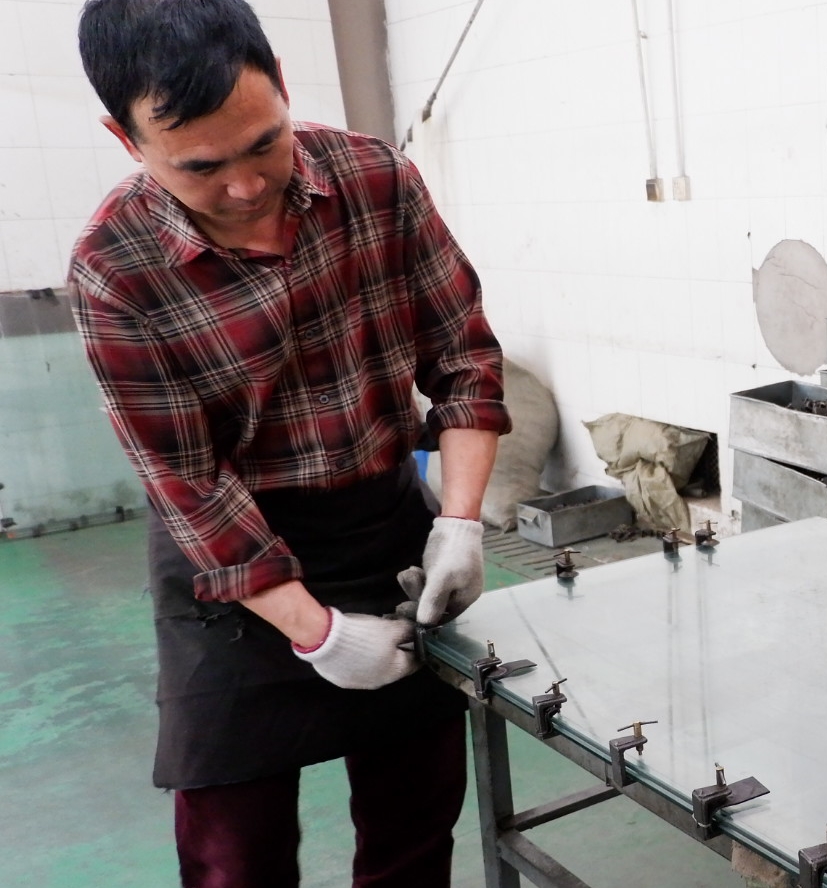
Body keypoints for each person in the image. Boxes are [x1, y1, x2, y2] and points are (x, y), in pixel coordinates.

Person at [69, 1, 511, 885]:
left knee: (415, 822)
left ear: (279, 82)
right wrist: (315, 633)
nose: (245, 187)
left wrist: (460, 522)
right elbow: (190, 483)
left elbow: (463, 361)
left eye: (263, 144)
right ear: (127, 140)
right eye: (201, 166)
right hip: (230, 563)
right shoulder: (116, 270)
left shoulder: (376, 180)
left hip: (385, 530)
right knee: (235, 853)